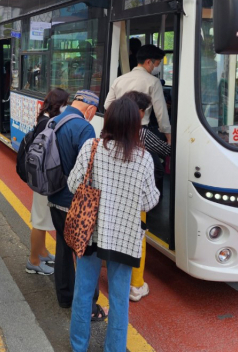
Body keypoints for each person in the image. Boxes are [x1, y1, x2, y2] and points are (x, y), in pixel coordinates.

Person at [68, 97, 160, 352]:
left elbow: (73, 184)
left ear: (107, 120)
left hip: (89, 232)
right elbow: (149, 201)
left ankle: (78, 347)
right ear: (135, 124)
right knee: (120, 301)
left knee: (83, 293)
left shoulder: (91, 147)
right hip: (125, 239)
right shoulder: (143, 158)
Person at [48, 90, 106, 320]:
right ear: (90, 109)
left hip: (53, 197)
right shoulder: (84, 128)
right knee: (85, 252)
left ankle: (64, 297)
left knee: (63, 248)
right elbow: (89, 169)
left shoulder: (54, 120)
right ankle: (89, 307)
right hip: (74, 203)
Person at [123, 91, 171, 302]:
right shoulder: (142, 139)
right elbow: (165, 150)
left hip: (113, 202)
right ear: (140, 112)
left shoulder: (104, 137)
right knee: (137, 240)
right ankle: (136, 286)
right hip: (135, 202)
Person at [20, 88, 70, 275]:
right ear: (60, 104)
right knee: (40, 221)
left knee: (41, 217)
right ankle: (33, 261)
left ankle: (42, 252)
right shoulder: (49, 123)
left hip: (40, 177)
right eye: (66, 103)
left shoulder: (44, 118)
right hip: (44, 179)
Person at [105, 44, 171, 144]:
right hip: (140, 131)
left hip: (118, 129)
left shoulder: (119, 80)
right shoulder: (153, 82)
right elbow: (161, 113)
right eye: (158, 63)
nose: (158, 67)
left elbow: (107, 105)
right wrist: (169, 136)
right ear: (148, 62)